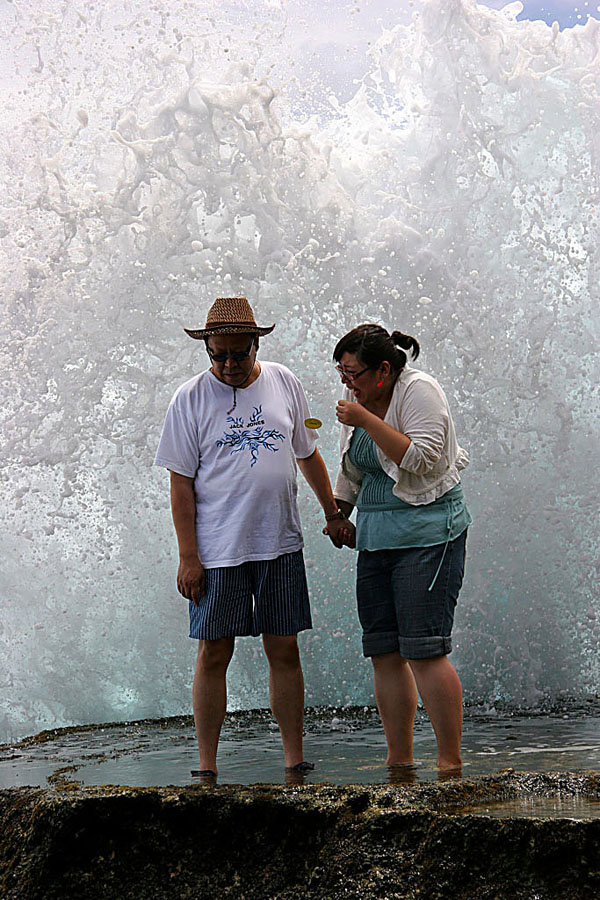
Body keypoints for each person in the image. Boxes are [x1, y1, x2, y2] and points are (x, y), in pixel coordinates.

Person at [154, 296, 352, 778]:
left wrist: (332, 512)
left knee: (283, 648)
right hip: (218, 550)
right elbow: (180, 482)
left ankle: (294, 759)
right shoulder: (190, 398)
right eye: (218, 355)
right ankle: (206, 766)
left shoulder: (285, 382)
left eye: (238, 354)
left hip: (279, 543)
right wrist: (187, 557)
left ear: (256, 343)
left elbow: (307, 452)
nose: (228, 365)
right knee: (214, 651)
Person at [327, 323, 471, 772]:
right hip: (377, 539)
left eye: (352, 372)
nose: (346, 381)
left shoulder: (419, 391)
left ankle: (449, 762)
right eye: (341, 372)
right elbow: (354, 467)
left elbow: (422, 458)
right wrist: (338, 512)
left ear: (383, 370)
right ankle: (400, 762)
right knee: (384, 649)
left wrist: (366, 419)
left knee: (424, 649)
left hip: (429, 535)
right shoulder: (361, 400)